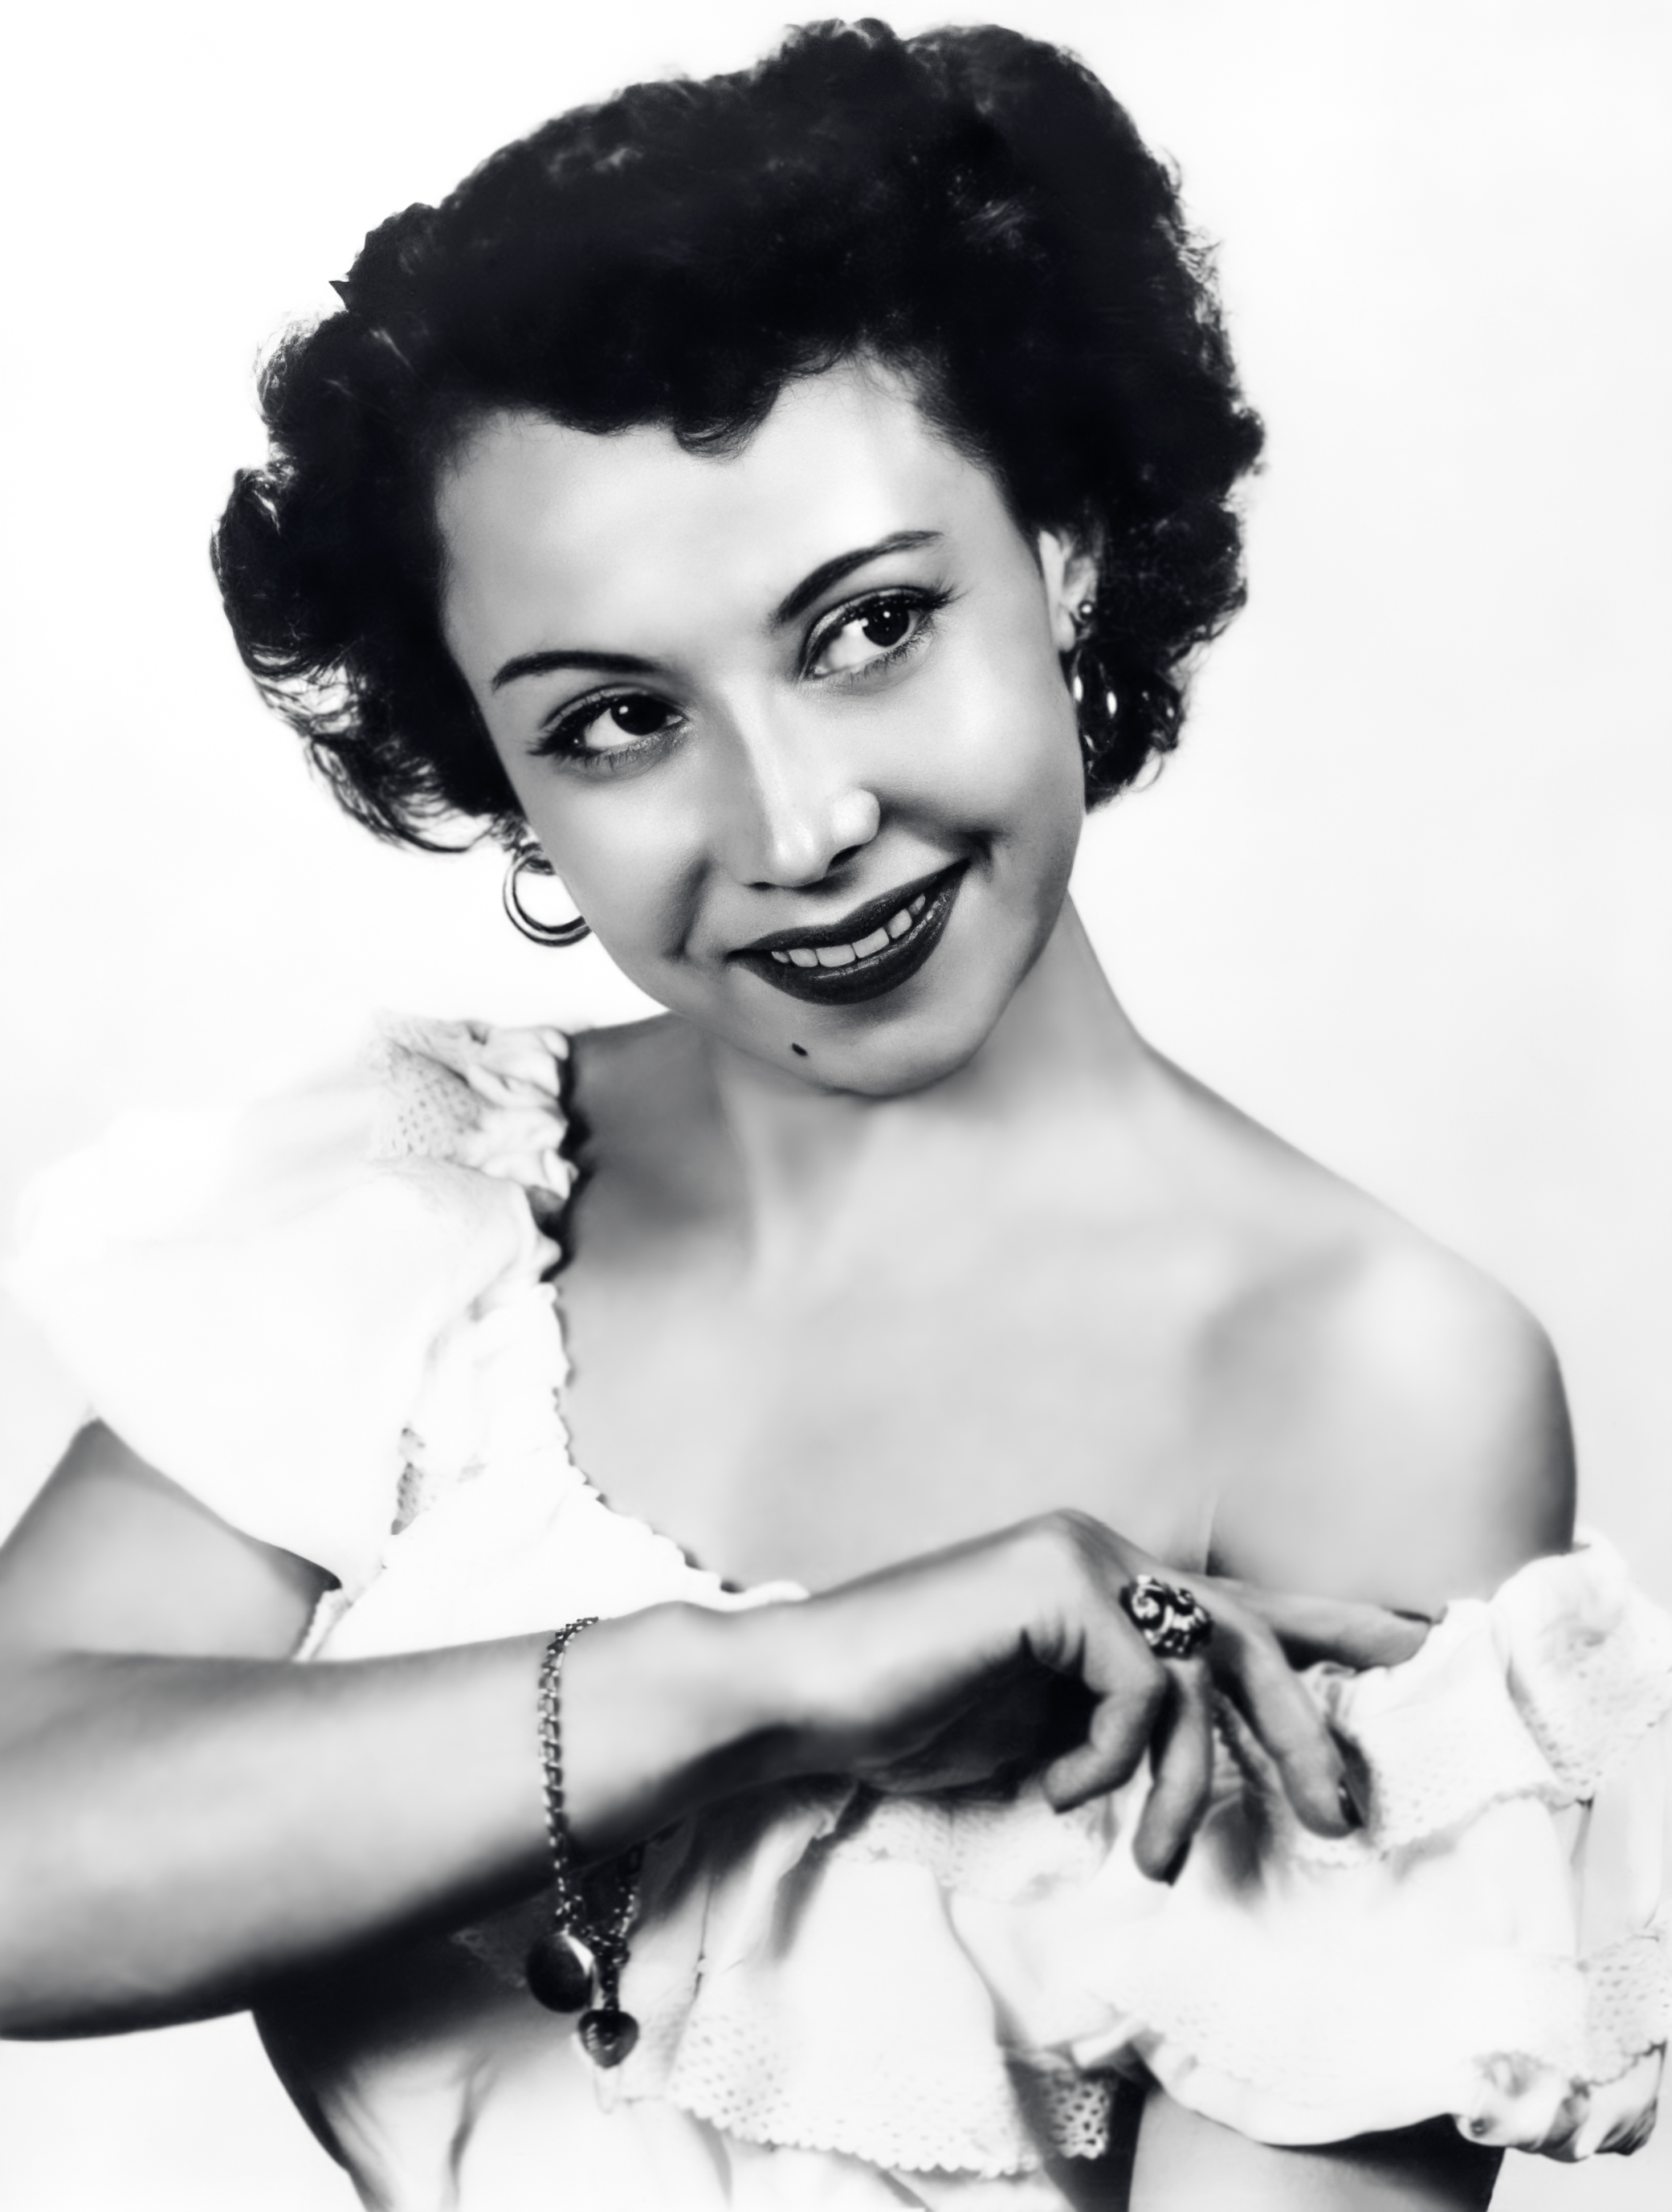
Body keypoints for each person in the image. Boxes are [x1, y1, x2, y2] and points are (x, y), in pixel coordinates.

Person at [1, 18, 1666, 2210]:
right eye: (616, 721)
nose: (797, 828)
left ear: (1061, 549)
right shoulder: (425, 1207)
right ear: (503, 778)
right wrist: (758, 1681)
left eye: (870, 625)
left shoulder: (1358, 1375)